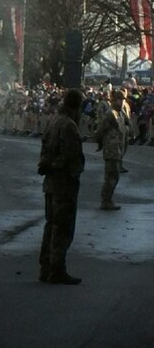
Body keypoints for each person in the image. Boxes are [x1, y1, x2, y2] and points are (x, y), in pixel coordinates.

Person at [38, 88, 86, 284]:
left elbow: (44, 151)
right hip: (64, 182)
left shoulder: (53, 121)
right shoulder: (69, 126)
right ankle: (57, 269)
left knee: (51, 225)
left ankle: (45, 267)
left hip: (50, 182)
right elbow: (71, 156)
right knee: (63, 227)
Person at [94, 89, 125, 210]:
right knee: (111, 176)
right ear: (114, 100)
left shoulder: (120, 114)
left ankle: (108, 199)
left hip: (117, 149)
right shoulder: (110, 114)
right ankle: (106, 200)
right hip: (111, 149)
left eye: (122, 100)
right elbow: (101, 129)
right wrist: (100, 143)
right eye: (119, 100)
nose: (121, 103)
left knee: (115, 176)